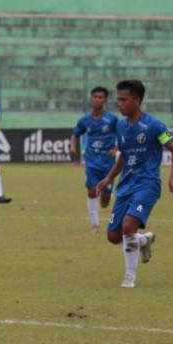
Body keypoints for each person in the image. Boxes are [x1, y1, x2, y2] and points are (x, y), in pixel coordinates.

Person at [96, 80, 173, 288]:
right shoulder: (121, 126)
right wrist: (108, 178)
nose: (119, 104)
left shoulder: (154, 125)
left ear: (137, 101)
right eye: (118, 99)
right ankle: (143, 240)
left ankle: (129, 277)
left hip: (148, 184)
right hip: (125, 186)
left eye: (124, 100)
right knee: (113, 236)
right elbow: (123, 155)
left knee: (128, 225)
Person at [69, 87, 119, 234]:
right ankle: (95, 225)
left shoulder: (112, 119)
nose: (97, 99)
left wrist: (116, 149)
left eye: (100, 97)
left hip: (108, 164)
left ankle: (107, 196)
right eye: (95, 96)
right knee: (91, 191)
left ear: (105, 100)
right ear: (91, 99)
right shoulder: (85, 120)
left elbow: (123, 135)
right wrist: (72, 146)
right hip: (91, 162)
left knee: (104, 200)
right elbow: (75, 134)